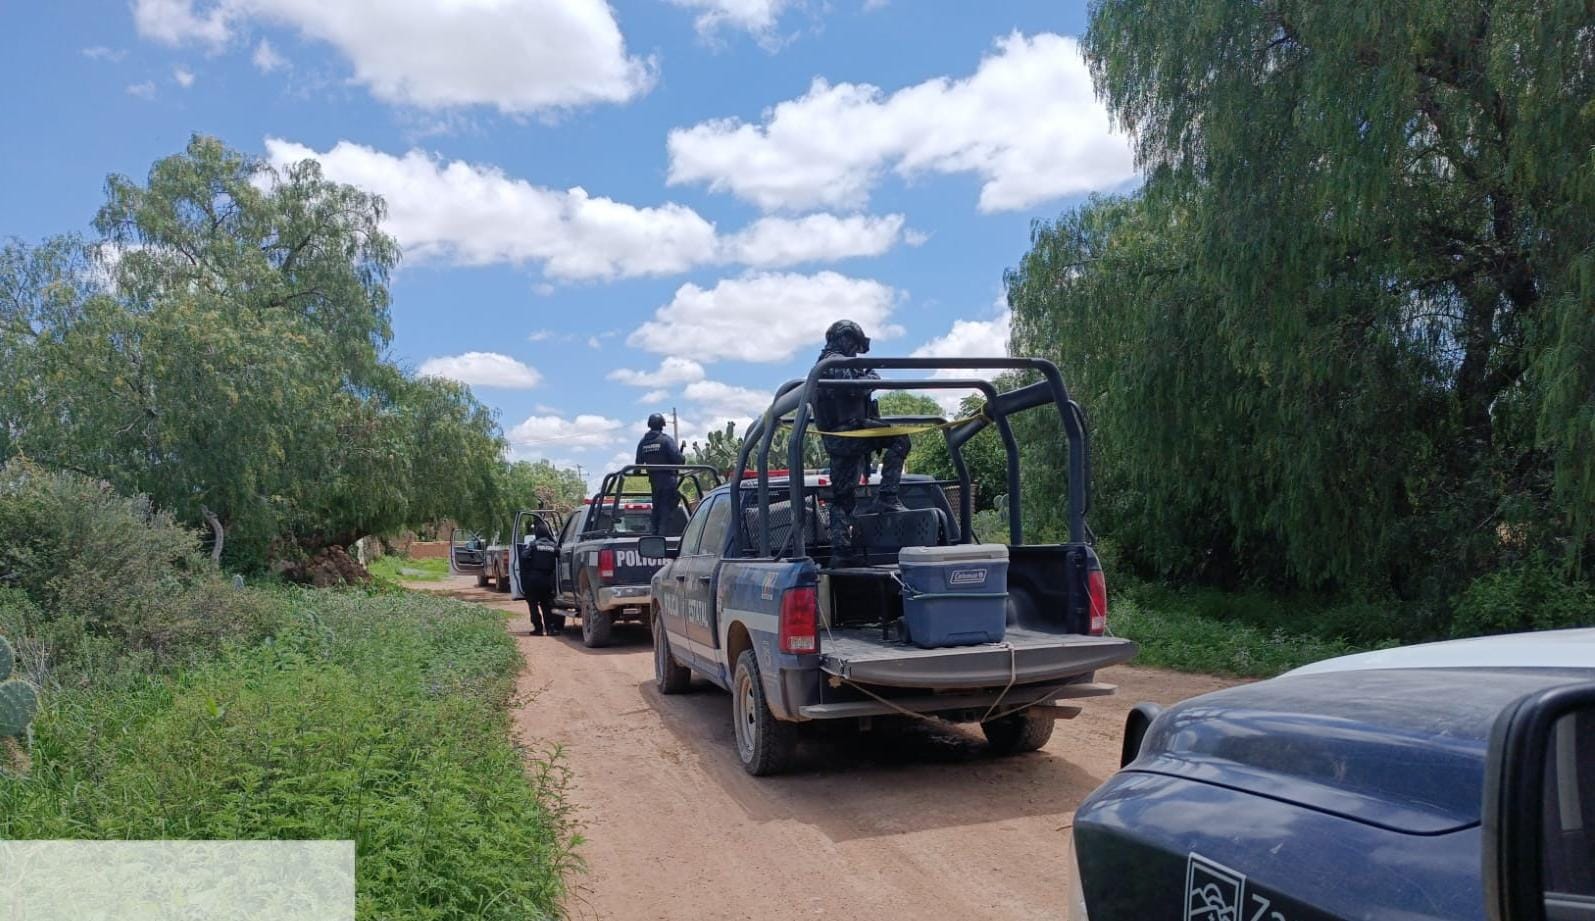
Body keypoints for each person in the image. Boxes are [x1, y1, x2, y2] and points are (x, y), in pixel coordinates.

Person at [812, 319, 909, 566]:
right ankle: (887, 496)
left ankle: (842, 553)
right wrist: (872, 376)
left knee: (843, 497)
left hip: (847, 436)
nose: (855, 352)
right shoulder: (833, 362)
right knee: (900, 439)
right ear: (845, 339)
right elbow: (854, 388)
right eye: (854, 346)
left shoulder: (829, 362)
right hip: (848, 435)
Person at [636, 413, 685, 535]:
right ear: (662, 424)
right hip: (668, 481)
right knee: (666, 511)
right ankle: (662, 538)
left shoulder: (643, 443)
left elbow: (638, 465)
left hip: (654, 483)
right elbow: (679, 459)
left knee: (656, 510)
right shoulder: (665, 440)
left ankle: (655, 534)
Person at [519, 516, 562, 636]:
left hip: (533, 579)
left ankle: (538, 628)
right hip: (548, 580)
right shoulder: (553, 546)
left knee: (533, 605)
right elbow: (560, 556)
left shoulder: (533, 545)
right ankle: (550, 629)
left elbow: (523, 556)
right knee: (546, 605)